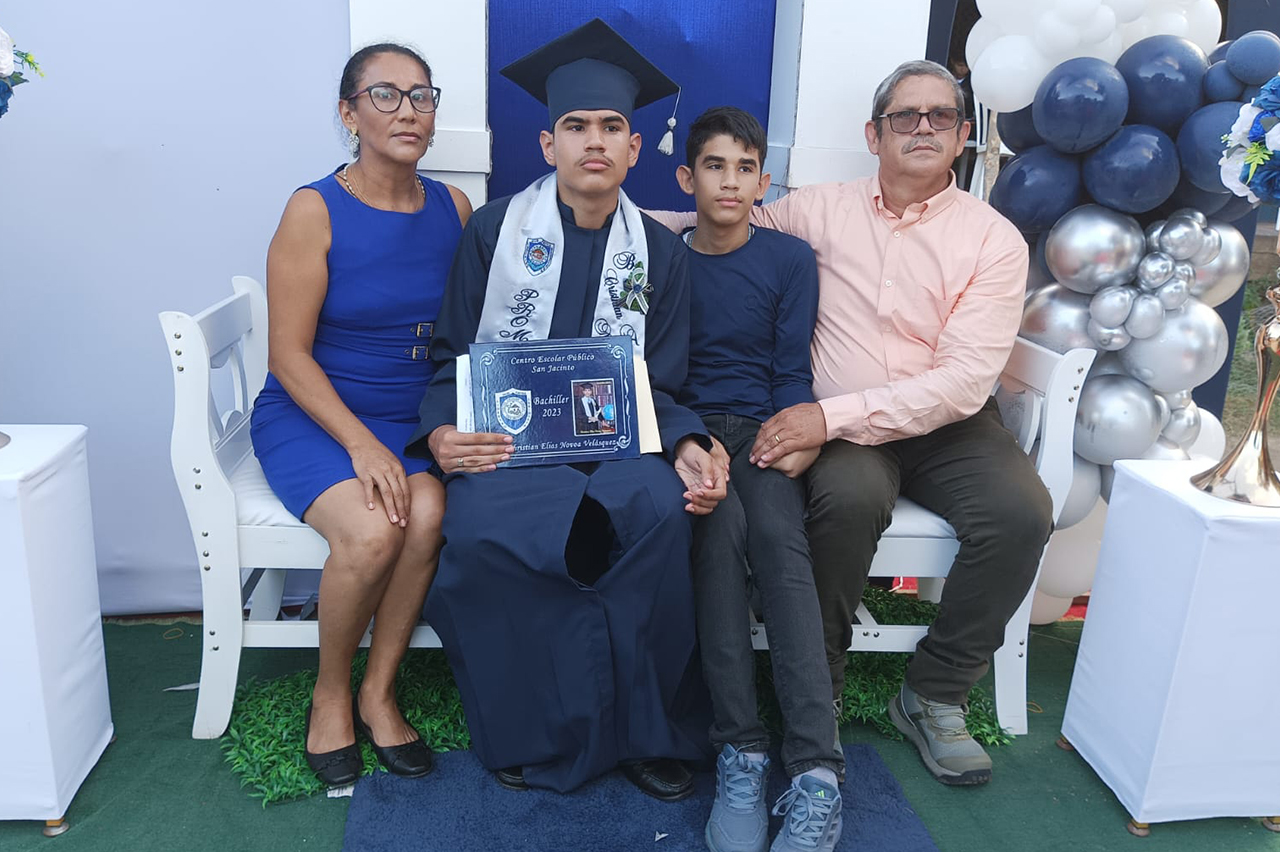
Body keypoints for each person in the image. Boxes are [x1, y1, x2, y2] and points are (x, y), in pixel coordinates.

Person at [649, 60, 1050, 787]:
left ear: (963, 135)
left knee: (1022, 512)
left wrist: (825, 416)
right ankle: (821, 684)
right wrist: (598, 220)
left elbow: (962, 381)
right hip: (846, 437)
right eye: (906, 116)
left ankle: (934, 691)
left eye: (940, 116)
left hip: (942, 424)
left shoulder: (993, 240)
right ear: (875, 133)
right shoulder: (819, 209)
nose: (923, 127)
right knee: (848, 499)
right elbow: (718, 221)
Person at [405, 18, 726, 797]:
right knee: (491, 529)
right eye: (576, 125)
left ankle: (651, 733)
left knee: (657, 513)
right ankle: (531, 730)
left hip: (622, 444)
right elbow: (454, 352)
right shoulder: (493, 231)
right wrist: (445, 432)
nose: (595, 140)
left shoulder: (661, 253)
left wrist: (685, 443)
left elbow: (667, 379)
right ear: (548, 144)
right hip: (510, 443)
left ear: (633, 146)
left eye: (612, 126)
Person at [248, 43, 472, 787]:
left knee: (430, 510)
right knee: (375, 528)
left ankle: (380, 692)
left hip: (408, 419)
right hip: (314, 413)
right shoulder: (314, 208)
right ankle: (330, 694)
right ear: (348, 113)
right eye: (385, 95)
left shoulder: (454, 207)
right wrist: (358, 445)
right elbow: (287, 356)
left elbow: (466, 333)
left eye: (422, 95)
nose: (408, 110)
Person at [675, 106, 843, 852]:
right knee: (718, 535)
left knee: (779, 538)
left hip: (767, 431)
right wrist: (691, 438)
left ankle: (815, 770)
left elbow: (788, 371)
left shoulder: (788, 260)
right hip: (689, 433)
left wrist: (798, 433)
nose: (731, 181)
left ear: (763, 181)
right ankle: (739, 750)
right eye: (715, 165)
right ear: (688, 177)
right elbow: (658, 373)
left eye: (746, 168)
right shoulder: (665, 261)